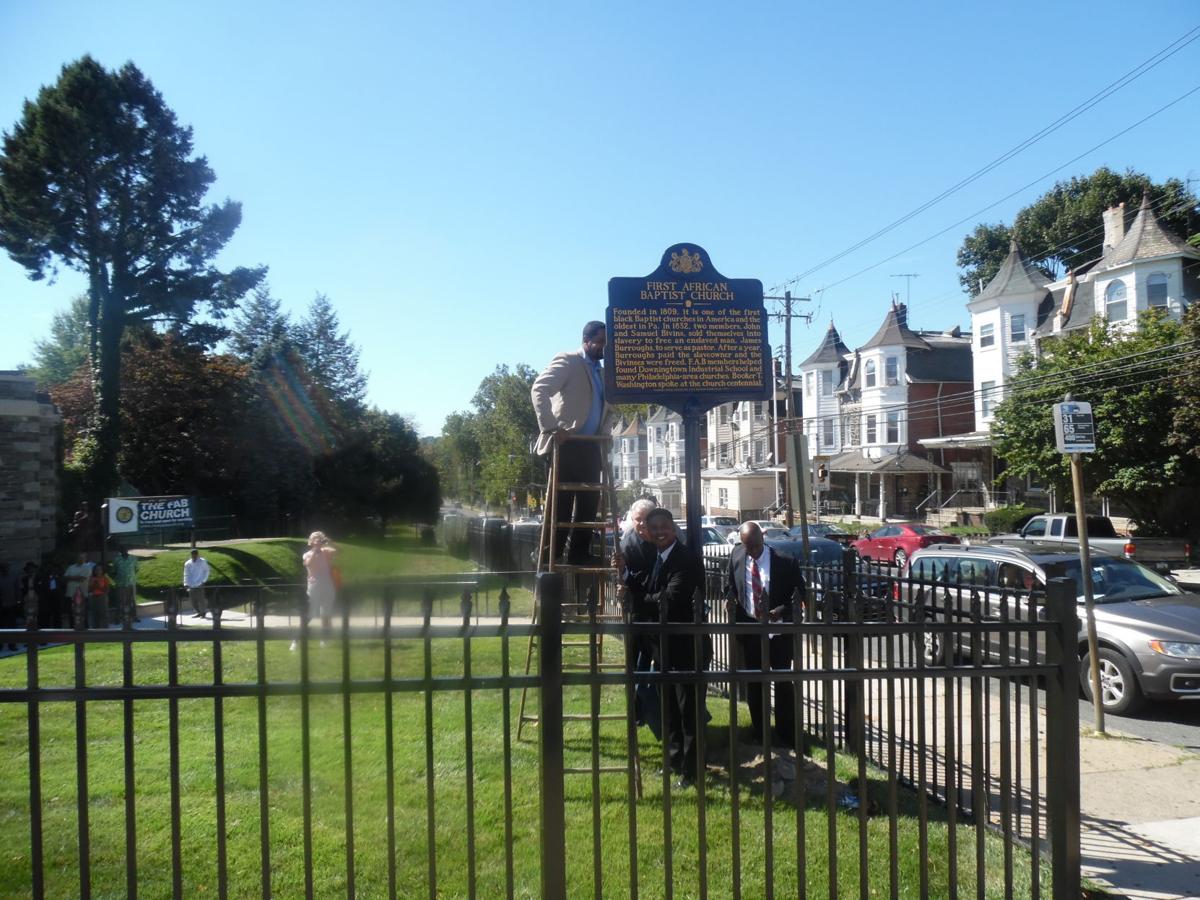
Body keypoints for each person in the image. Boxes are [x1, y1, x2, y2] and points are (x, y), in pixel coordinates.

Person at [634, 508, 706, 788]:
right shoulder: (657, 556)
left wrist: (639, 600)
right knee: (670, 710)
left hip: (686, 645)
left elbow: (671, 597)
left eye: (664, 526)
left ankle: (692, 771)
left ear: (673, 528)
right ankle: (674, 761)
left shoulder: (686, 558)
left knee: (689, 711)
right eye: (654, 528)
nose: (659, 532)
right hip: (661, 648)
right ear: (648, 532)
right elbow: (648, 587)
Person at [531, 320, 613, 565]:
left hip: (591, 445)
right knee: (562, 505)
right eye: (599, 343)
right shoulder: (569, 361)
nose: (603, 348)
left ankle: (579, 553)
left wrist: (606, 432)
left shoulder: (602, 371)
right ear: (586, 341)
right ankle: (548, 555)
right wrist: (551, 428)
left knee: (589, 503)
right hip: (567, 443)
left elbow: (609, 408)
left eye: (606, 345)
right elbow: (539, 389)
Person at [724, 521, 805, 749]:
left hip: (778, 632)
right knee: (755, 684)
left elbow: (799, 596)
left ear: (763, 538)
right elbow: (729, 585)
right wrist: (728, 599)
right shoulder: (737, 556)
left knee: (782, 683)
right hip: (750, 630)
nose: (752, 551)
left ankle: (786, 733)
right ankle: (760, 732)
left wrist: (782, 611)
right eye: (747, 547)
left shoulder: (785, 562)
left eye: (756, 546)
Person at [297, 531, 338, 650]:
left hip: (328, 586)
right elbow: (309, 564)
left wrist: (330, 542)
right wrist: (316, 550)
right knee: (311, 614)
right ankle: (296, 638)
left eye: (319, 538)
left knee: (326, 614)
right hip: (314, 586)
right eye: (315, 539)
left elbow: (339, 552)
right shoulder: (307, 554)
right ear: (310, 542)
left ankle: (324, 640)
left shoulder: (327, 552)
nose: (318, 540)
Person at [111, 547, 140, 623]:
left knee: (132, 600)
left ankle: (134, 617)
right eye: (122, 549)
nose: (124, 550)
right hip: (120, 584)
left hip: (131, 583)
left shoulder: (133, 558)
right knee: (120, 601)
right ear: (120, 550)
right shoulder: (116, 559)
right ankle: (118, 618)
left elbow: (136, 569)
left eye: (125, 549)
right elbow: (113, 571)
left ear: (127, 550)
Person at [183, 549, 211, 618]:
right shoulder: (187, 563)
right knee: (192, 601)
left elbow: (207, 571)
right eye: (193, 554)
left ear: (197, 554)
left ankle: (203, 613)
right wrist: (185, 583)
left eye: (195, 554)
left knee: (201, 599)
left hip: (200, 583)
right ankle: (199, 612)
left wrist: (203, 581)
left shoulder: (202, 562)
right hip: (191, 584)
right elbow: (186, 574)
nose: (194, 556)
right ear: (191, 555)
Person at [87, 563, 113, 629]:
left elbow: (107, 590)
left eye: (99, 569)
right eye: (96, 570)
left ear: (102, 570)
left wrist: (99, 586)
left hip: (102, 597)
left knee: (104, 614)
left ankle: (105, 629)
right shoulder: (91, 578)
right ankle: (95, 629)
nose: (97, 571)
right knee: (94, 614)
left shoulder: (105, 578)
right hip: (93, 598)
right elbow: (89, 589)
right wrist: (92, 585)